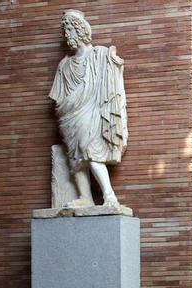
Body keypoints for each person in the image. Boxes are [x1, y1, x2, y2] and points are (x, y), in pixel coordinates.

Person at [50, 9, 128, 208]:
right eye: (65, 32)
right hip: (69, 116)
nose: (68, 36)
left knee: (89, 148)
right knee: (75, 157)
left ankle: (110, 196)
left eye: (71, 31)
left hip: (92, 111)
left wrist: (115, 63)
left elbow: (113, 73)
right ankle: (86, 197)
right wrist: (66, 106)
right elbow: (58, 97)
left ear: (81, 31)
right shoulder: (64, 65)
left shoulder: (100, 54)